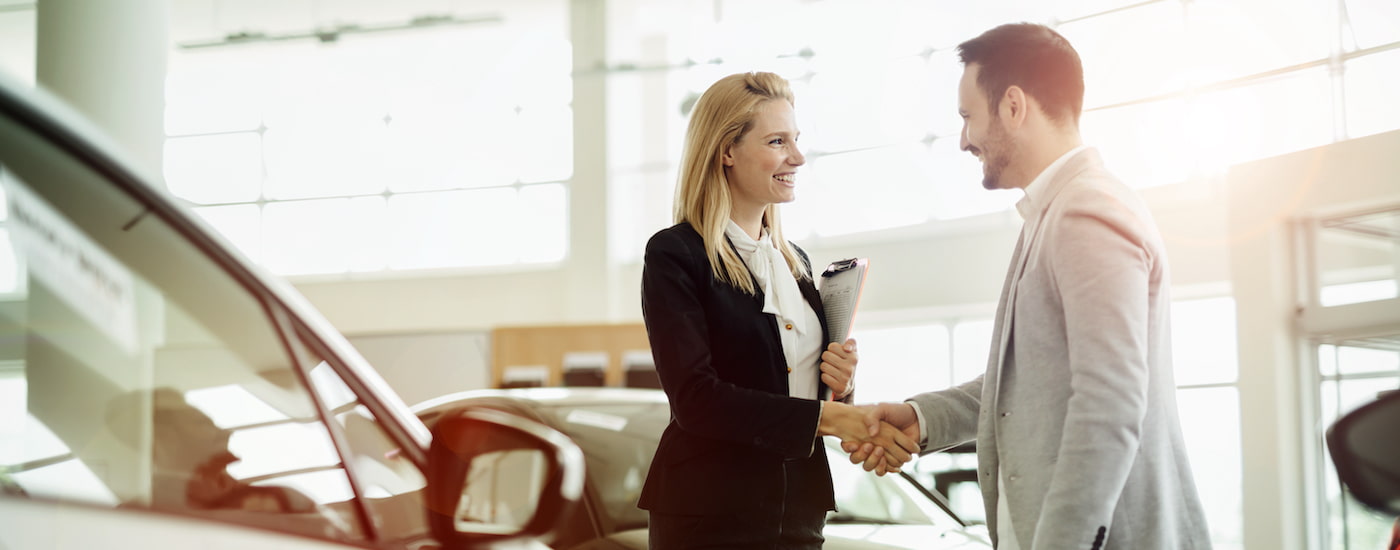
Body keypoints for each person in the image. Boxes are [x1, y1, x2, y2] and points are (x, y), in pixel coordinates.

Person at [846, 23, 1212, 549]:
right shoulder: (1052, 214)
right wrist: (921, 419)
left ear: (1013, 106)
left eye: (968, 117)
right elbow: (1028, 389)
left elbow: (1109, 402)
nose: (964, 139)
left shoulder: (1087, 211)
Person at [638, 71, 918, 550]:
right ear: (726, 151)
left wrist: (840, 386)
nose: (797, 157)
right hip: (711, 515)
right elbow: (696, 399)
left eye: (796, 140)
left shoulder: (798, 264)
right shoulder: (676, 254)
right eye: (777, 141)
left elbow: (800, 391)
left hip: (799, 510)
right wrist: (828, 419)